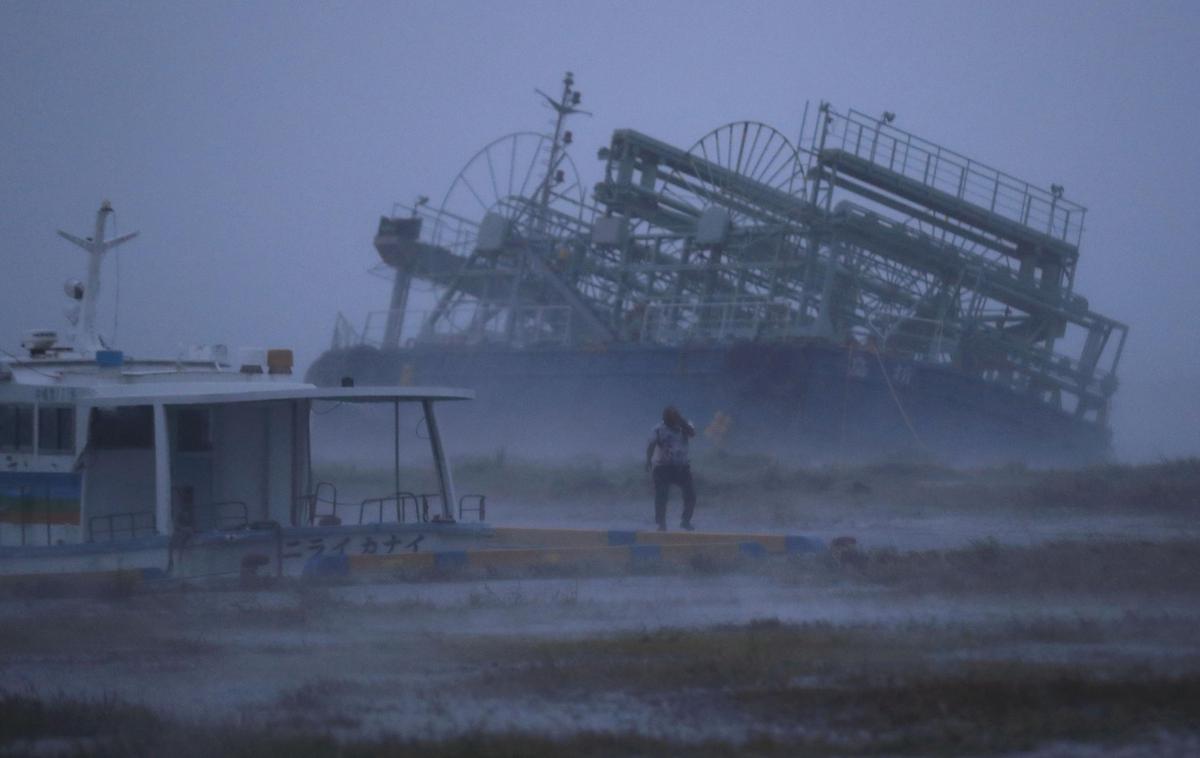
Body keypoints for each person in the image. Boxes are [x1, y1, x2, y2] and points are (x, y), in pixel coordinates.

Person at [644, 405, 697, 531]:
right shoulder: (658, 429)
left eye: (673, 418)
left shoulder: (684, 426)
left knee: (690, 495)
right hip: (663, 468)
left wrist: (682, 422)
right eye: (668, 418)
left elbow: (692, 433)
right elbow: (651, 444)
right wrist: (648, 461)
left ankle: (685, 521)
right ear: (664, 419)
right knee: (661, 496)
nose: (670, 421)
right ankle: (661, 523)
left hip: (681, 467)